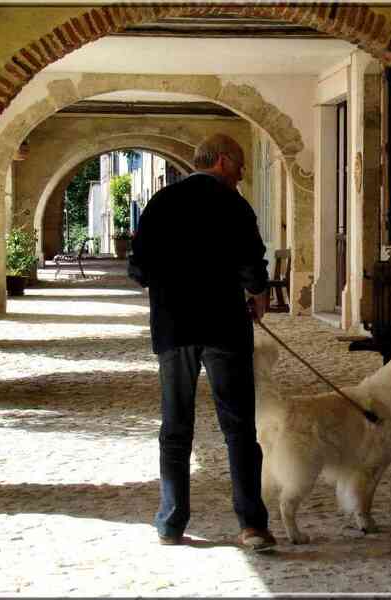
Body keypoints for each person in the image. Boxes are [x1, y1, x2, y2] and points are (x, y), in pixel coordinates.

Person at [131, 134, 276, 552]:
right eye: (242, 164)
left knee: (175, 427)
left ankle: (170, 523)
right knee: (239, 429)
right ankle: (252, 525)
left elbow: (138, 268)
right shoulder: (233, 205)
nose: (245, 172)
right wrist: (256, 292)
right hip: (224, 327)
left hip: (174, 328)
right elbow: (252, 262)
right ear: (224, 161)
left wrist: (166, 283)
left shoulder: (161, 202)